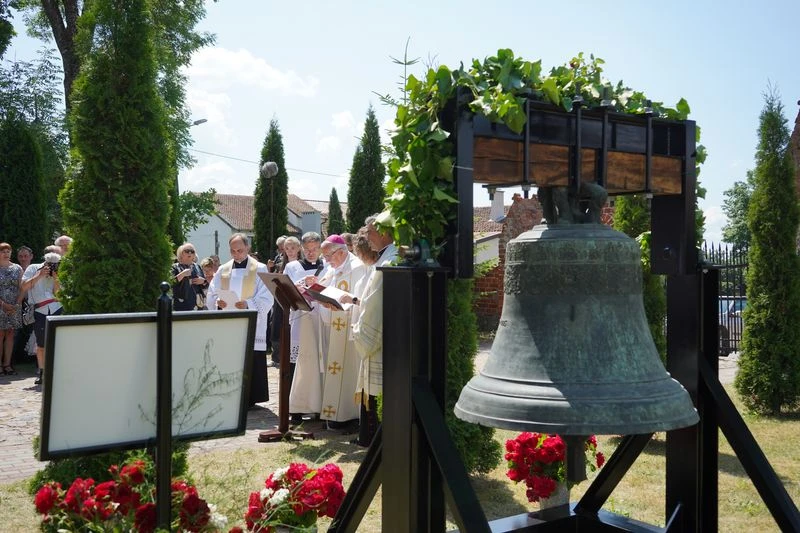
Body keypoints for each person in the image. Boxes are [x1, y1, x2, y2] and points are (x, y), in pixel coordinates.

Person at [343, 216, 397, 446]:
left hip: (381, 336)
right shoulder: (385, 259)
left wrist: (360, 330)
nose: (368, 237)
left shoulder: (389, 261)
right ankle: (370, 437)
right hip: (382, 334)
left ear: (385, 233)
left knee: (377, 389)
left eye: (372, 232)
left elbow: (375, 305)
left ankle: (375, 440)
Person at [207, 233, 273, 407]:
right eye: (233, 251)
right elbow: (212, 292)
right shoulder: (223, 270)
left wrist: (248, 304)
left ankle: (251, 398)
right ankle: (230, 394)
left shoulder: (260, 268)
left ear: (248, 248)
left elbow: (267, 297)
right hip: (229, 322)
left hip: (251, 320)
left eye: (240, 250)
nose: (237, 254)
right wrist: (217, 302)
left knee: (250, 357)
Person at [315, 235, 366, 428]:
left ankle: (349, 415)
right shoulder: (331, 268)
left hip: (348, 329)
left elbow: (361, 299)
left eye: (328, 255)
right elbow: (324, 288)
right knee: (333, 369)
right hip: (331, 326)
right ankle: (334, 414)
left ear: (342, 252)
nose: (326, 260)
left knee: (349, 373)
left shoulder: (358, 268)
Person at [283, 232, 326, 422]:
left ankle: (318, 406)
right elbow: (284, 290)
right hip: (300, 320)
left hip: (321, 320)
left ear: (320, 248)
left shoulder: (328, 267)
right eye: (307, 249)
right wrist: (302, 285)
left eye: (315, 249)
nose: (311, 253)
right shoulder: (292, 267)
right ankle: (297, 408)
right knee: (298, 362)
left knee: (319, 363)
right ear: (301, 249)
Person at [21, 245, 63, 385]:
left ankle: (56, 372)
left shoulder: (60, 270)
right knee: (41, 344)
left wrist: (56, 277)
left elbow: (58, 295)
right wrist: (39, 275)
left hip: (57, 308)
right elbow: (24, 287)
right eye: (50, 261)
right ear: (45, 258)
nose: (52, 264)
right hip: (40, 310)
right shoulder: (33, 268)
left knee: (58, 343)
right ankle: (42, 372)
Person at [0, 243, 23, 375]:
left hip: (15, 306)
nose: (6, 253)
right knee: (0, 334)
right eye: (3, 251)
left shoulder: (17, 268)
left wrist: (17, 304)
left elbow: (22, 287)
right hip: (1, 306)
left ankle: (7, 364)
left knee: (10, 334)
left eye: (8, 251)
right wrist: (3, 304)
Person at [11, 246, 34, 365]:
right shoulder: (14, 270)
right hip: (17, 304)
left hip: (33, 305)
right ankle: (13, 358)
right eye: (21, 256)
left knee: (31, 332)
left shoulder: (36, 269)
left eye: (26, 256)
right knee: (16, 332)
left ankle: (28, 357)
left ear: (31, 256)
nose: (23, 258)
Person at [170, 243, 206, 311]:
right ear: (181, 253)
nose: (190, 253)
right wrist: (182, 274)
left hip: (198, 305)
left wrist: (203, 281)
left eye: (192, 251)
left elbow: (205, 285)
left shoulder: (197, 267)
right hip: (181, 305)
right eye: (187, 251)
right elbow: (171, 282)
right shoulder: (175, 267)